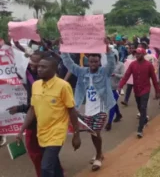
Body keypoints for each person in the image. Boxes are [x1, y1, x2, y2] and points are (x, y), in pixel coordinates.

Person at [16, 56, 81, 177]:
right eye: (39, 66)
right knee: (54, 165)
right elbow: (32, 109)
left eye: (43, 67)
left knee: (45, 168)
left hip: (57, 133)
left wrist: (77, 134)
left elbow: (71, 110)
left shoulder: (63, 86)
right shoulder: (36, 85)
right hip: (42, 132)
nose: (39, 69)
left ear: (54, 69)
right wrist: (21, 130)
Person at [61, 39, 116, 171]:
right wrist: (63, 48)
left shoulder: (104, 72)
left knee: (96, 131)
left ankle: (98, 156)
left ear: (99, 62)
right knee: (92, 133)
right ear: (88, 61)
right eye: (91, 61)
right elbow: (69, 64)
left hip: (102, 107)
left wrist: (107, 49)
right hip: (89, 108)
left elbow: (111, 64)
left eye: (96, 61)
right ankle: (99, 153)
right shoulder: (82, 72)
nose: (93, 64)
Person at [6, 50, 50, 176]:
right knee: (44, 152)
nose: (31, 65)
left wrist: (20, 109)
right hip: (36, 119)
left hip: (41, 121)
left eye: (36, 63)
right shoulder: (30, 74)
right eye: (30, 61)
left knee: (37, 152)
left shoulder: (46, 82)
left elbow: (36, 106)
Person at [118, 47, 160, 138]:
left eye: (139, 53)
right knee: (140, 107)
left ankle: (140, 129)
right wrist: (120, 86)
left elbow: (154, 79)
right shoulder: (133, 64)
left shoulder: (149, 65)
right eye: (136, 53)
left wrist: (157, 91)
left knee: (143, 107)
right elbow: (126, 76)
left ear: (143, 54)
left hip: (145, 89)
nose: (137, 55)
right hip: (136, 90)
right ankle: (144, 119)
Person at [105, 51, 124, 131]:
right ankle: (118, 114)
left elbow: (123, 75)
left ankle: (109, 123)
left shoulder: (121, 65)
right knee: (113, 103)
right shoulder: (107, 65)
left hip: (116, 88)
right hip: (108, 88)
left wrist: (115, 75)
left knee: (111, 105)